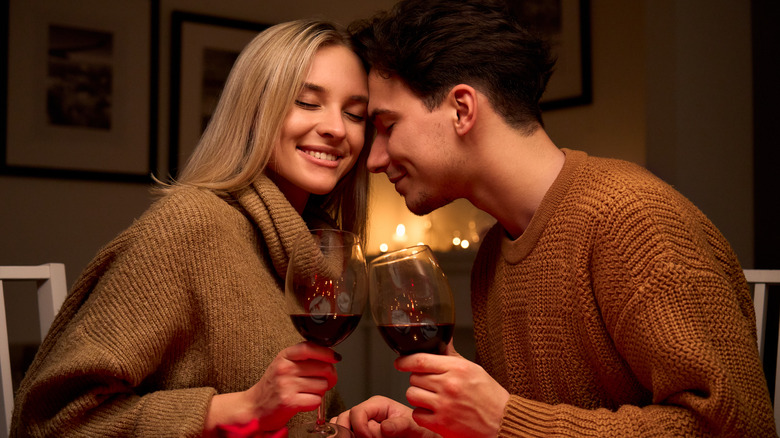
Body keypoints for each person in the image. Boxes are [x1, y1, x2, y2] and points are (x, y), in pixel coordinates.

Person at [335, 0, 777, 436]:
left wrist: (504, 419)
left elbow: (738, 427)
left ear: (462, 110)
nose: (372, 158)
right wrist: (441, 431)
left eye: (388, 126)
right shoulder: (494, 252)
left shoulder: (632, 220)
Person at [12, 19, 371, 437]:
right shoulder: (190, 225)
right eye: (308, 103)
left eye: (355, 114)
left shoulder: (311, 248)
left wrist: (342, 426)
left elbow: (288, 417)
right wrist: (238, 409)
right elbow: (49, 422)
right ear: (254, 111)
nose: (337, 128)